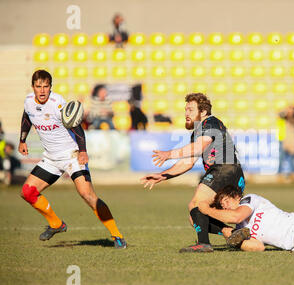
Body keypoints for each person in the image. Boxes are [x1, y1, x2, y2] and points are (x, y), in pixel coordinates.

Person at [18, 70, 126, 248]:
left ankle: (117, 236)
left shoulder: (58, 103)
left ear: (51, 87)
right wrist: (23, 139)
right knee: (27, 192)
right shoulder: (29, 101)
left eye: (46, 86)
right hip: (51, 158)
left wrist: (82, 151)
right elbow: (27, 117)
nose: (42, 90)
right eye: (39, 86)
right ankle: (56, 224)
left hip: (71, 155)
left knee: (87, 195)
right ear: (33, 87)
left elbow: (76, 126)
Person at [140, 93, 245, 253]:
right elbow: (187, 162)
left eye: (190, 109)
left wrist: (168, 154)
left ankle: (203, 244)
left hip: (224, 169)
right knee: (195, 216)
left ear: (203, 112)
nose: (186, 113)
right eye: (185, 110)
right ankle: (229, 232)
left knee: (196, 205)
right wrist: (163, 175)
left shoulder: (209, 122)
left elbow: (198, 148)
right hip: (232, 173)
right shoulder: (198, 131)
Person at [277, 105, 294, 181]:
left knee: (292, 160)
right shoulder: (284, 117)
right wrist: (287, 112)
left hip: (292, 141)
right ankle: (280, 176)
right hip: (284, 140)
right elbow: (280, 114)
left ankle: (292, 176)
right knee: (281, 159)